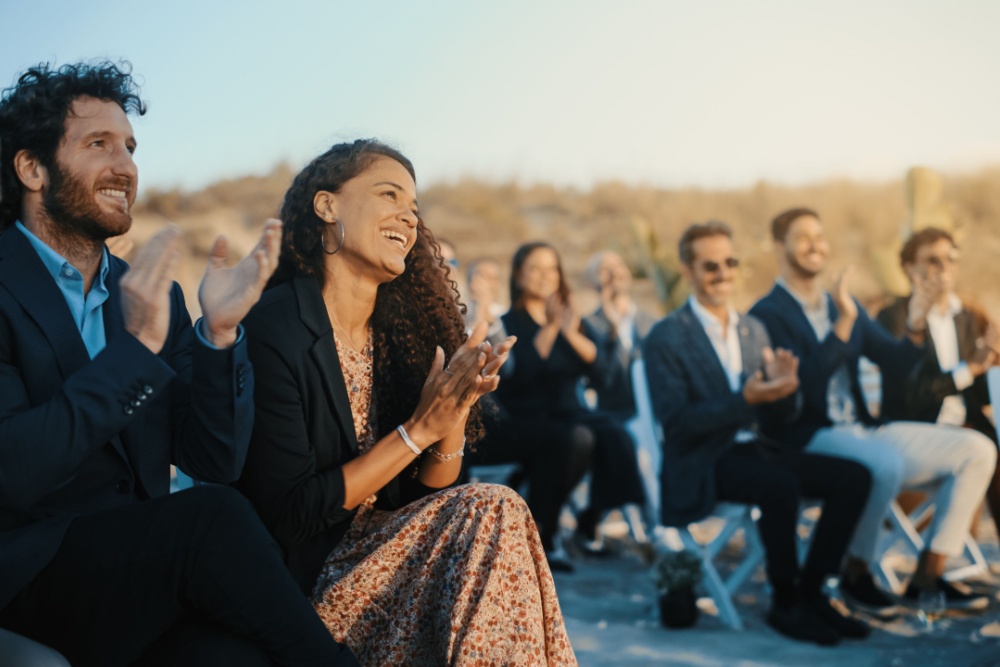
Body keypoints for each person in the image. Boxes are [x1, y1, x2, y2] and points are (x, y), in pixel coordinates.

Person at [0, 61, 359, 665]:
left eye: (131, 148)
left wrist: (219, 335)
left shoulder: (149, 291)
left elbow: (212, 458)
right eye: (99, 144)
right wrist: (136, 351)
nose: (126, 167)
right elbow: (13, 470)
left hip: (135, 575)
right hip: (24, 570)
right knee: (212, 518)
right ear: (33, 168)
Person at [237, 139, 577, 666]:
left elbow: (424, 493)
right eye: (389, 195)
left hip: (390, 551)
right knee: (495, 509)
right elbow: (290, 514)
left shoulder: (400, 334)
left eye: (414, 207)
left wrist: (453, 415)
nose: (408, 216)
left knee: (493, 508)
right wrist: (417, 430)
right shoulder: (275, 326)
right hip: (313, 579)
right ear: (327, 206)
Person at [749, 207, 997, 613]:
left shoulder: (839, 305)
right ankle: (856, 573)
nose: (816, 245)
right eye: (803, 237)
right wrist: (843, 328)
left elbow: (896, 363)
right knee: (882, 463)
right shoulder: (767, 314)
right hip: (808, 436)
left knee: (977, 450)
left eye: (820, 235)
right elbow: (800, 391)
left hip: (864, 428)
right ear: (779, 247)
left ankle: (927, 574)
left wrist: (915, 325)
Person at [644, 221, 873, 645]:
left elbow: (780, 414)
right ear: (688, 271)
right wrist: (746, 398)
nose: (723, 274)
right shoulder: (667, 336)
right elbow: (677, 423)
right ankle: (784, 602)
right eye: (710, 265)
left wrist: (785, 391)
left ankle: (812, 592)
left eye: (730, 263)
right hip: (702, 461)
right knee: (779, 486)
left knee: (855, 477)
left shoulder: (753, 328)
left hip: (757, 448)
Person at [479, 242, 646, 568]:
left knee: (616, 433)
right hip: (525, 416)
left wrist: (567, 330)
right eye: (536, 269)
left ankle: (590, 519)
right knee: (576, 438)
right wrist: (551, 327)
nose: (545, 276)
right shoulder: (508, 322)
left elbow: (602, 371)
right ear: (518, 275)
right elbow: (524, 373)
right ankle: (543, 530)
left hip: (570, 411)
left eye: (551, 269)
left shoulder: (571, 317)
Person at [876, 227, 1000, 538]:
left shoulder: (969, 316)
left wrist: (991, 362)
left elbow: (978, 393)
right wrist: (969, 369)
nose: (944, 266)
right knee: (982, 452)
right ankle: (932, 572)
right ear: (909, 268)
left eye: (950, 259)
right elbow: (909, 396)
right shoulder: (895, 318)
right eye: (933, 260)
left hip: (968, 425)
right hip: (917, 429)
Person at [582, 249, 658, 419]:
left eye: (618, 266)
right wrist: (613, 331)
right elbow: (602, 379)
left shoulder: (653, 323)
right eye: (604, 269)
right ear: (590, 281)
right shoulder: (585, 327)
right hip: (615, 422)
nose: (614, 272)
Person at [464, 256, 506, 338]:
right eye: (485, 277)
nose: (492, 283)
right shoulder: (461, 313)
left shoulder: (503, 314)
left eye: (495, 278)